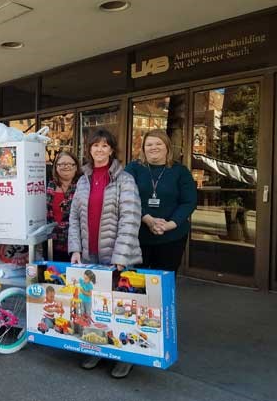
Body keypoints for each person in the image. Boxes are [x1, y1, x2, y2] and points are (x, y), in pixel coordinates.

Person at [67, 127, 142, 378]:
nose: (99, 150)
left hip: (118, 256)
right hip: (90, 255)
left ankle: (124, 356)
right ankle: (97, 349)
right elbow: (75, 218)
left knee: (121, 308)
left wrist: (120, 257)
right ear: (89, 149)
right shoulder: (83, 179)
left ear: (111, 150)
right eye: (95, 145)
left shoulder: (125, 179)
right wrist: (75, 248)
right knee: (95, 306)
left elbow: (130, 219)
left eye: (104, 146)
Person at [124, 129, 197, 273]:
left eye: (158, 143)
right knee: (137, 282)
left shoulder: (180, 171)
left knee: (165, 281)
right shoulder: (133, 168)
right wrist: (147, 218)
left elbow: (189, 201)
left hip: (172, 236)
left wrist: (170, 224)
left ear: (167, 147)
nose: (153, 147)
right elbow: (126, 197)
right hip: (138, 235)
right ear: (143, 148)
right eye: (149, 144)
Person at [46, 151, 80, 261]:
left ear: (76, 167)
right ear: (56, 167)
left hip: (76, 246)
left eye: (70, 164)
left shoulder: (83, 187)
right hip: (50, 244)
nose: (66, 167)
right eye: (62, 164)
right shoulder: (47, 186)